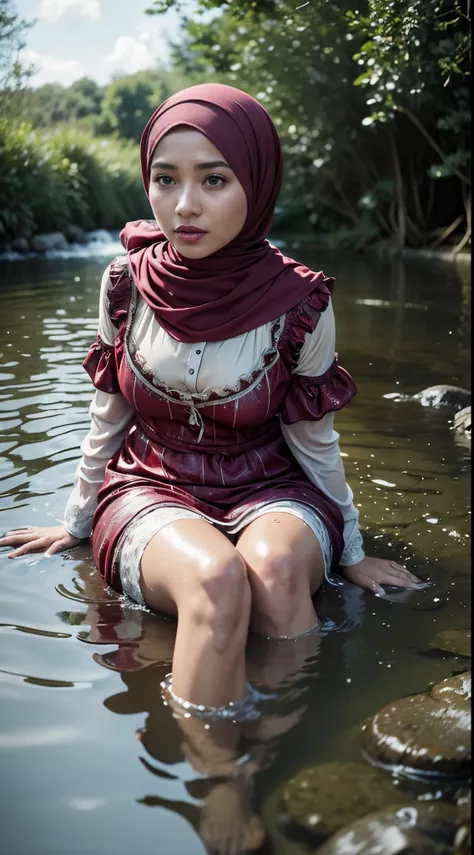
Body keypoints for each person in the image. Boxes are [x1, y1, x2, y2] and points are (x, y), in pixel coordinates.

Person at [0, 83, 422, 718]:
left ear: (256, 183)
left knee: (277, 580)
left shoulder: (301, 301)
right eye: (164, 180)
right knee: (216, 578)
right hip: (151, 484)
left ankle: (279, 746)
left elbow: (315, 439)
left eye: (215, 181)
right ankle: (217, 779)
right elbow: (108, 415)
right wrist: (75, 521)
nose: (184, 206)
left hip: (272, 485)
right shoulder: (123, 284)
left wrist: (353, 552)